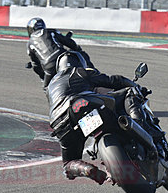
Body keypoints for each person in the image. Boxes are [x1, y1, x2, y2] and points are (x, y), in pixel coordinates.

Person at [46, 51, 146, 184]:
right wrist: (136, 87)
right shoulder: (79, 71)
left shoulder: (51, 85)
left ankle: (86, 169)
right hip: (82, 104)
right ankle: (139, 126)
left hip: (59, 122)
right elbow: (114, 81)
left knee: (68, 163)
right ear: (80, 62)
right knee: (129, 92)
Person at [26, 17, 93, 87]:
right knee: (82, 56)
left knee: (47, 88)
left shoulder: (29, 44)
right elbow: (68, 42)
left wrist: (43, 76)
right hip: (63, 58)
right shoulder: (51, 31)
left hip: (50, 66)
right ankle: (92, 73)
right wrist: (77, 48)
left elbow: (36, 66)